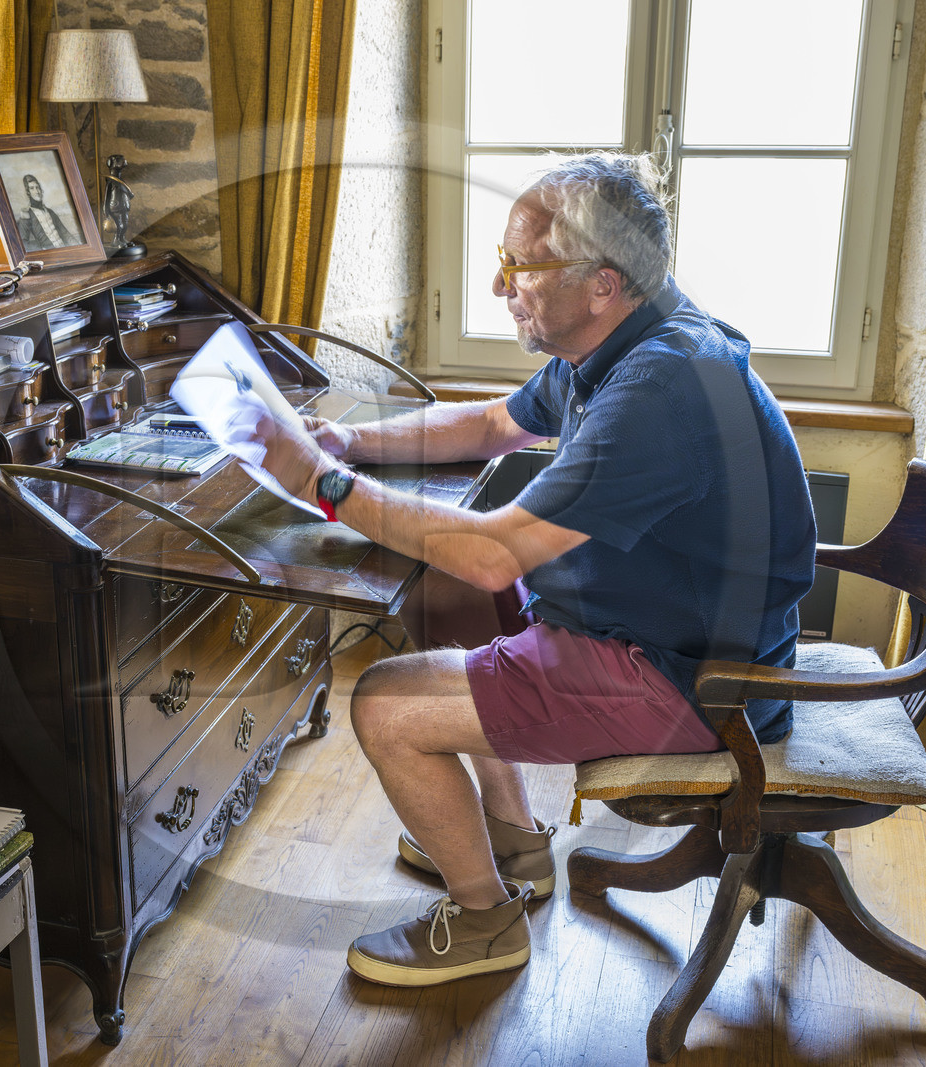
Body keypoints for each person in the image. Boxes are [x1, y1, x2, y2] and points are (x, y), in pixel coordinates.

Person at [253, 151, 816, 987]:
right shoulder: (627, 336)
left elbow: (495, 549)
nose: (499, 286)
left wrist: (324, 484)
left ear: (602, 281)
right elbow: (491, 423)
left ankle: (485, 920)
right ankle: (515, 842)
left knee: (385, 704)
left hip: (689, 681)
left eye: (520, 266)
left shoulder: (661, 388)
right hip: (656, 626)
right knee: (446, 590)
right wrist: (352, 441)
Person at [14, 173, 81, 251]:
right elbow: (23, 243)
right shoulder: (26, 215)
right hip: (51, 255)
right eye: (32, 188)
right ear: (28, 192)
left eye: (37, 187)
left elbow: (65, 233)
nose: (37, 191)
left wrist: (79, 248)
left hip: (65, 249)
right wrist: (41, 250)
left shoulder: (50, 212)